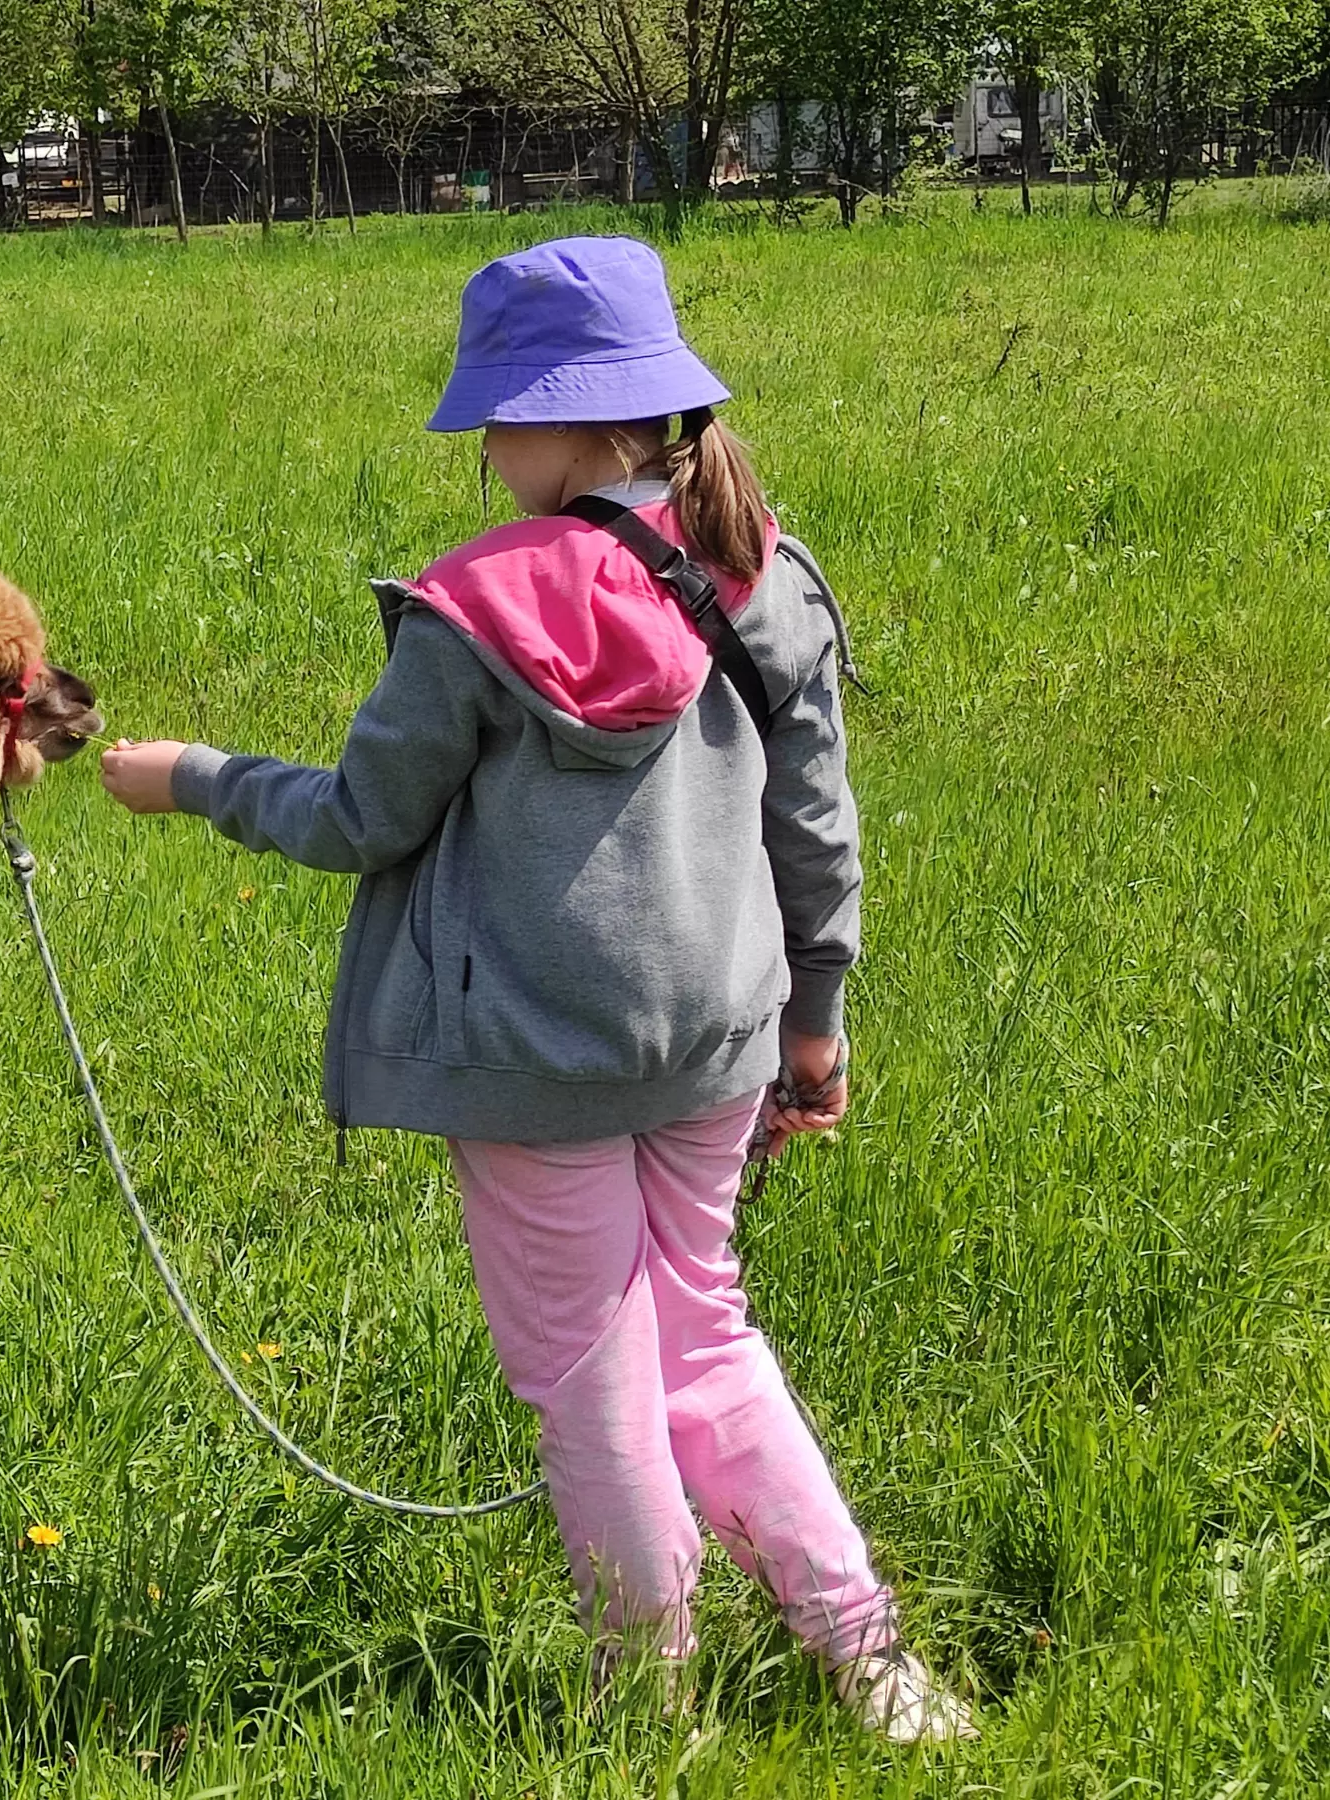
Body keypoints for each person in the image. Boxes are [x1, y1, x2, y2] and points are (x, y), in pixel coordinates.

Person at [98, 237, 975, 1744]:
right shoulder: (766, 571)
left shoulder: (475, 612)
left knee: (592, 1380)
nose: (485, 446)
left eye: (499, 417)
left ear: (575, 422)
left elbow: (362, 820)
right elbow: (814, 829)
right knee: (708, 1334)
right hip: (720, 1044)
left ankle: (649, 1701)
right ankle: (874, 1663)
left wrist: (196, 781)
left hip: (525, 1059)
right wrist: (813, 1026)